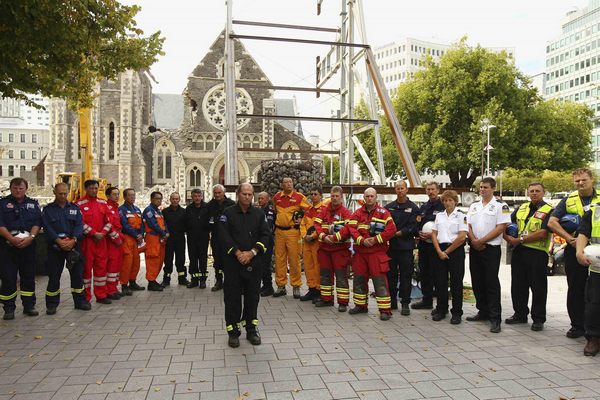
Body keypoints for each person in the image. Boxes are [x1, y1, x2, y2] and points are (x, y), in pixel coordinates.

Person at [548, 168, 600, 339]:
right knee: (576, 287)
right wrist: (570, 239)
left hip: (597, 250)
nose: (580, 183)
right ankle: (577, 325)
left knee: (595, 289)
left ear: (592, 179)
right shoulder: (568, 199)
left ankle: (593, 326)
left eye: (584, 180)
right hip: (574, 249)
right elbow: (552, 222)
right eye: (577, 181)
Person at [219, 183, 270, 348]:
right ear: (237, 194)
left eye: (250, 194)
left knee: (252, 297)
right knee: (232, 298)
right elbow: (223, 236)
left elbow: (265, 235)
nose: (247, 197)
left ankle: (251, 329)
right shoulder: (228, 213)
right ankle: (233, 332)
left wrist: (252, 252)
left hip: (253, 264)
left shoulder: (258, 214)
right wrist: (238, 253)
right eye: (244, 194)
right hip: (233, 264)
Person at [502, 182, 552, 331]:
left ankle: (538, 319)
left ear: (544, 193)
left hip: (537, 253)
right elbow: (506, 224)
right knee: (518, 285)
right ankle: (520, 314)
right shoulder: (521, 208)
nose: (534, 193)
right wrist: (508, 238)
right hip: (519, 251)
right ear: (528, 193)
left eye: (537, 191)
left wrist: (520, 240)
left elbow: (543, 232)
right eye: (531, 191)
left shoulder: (549, 210)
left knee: (538, 287)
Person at [342, 187, 396, 320]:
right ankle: (360, 306)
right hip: (361, 252)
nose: (369, 198)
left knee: (380, 281)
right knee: (359, 280)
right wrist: (361, 240)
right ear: (364, 197)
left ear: (376, 197)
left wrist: (376, 239)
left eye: (372, 196)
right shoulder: (357, 213)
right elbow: (351, 228)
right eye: (367, 196)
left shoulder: (384, 213)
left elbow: (391, 229)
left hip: (376, 252)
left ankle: (384, 310)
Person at [466, 177, 511, 333]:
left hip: (491, 248)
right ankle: (483, 311)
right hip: (475, 248)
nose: (482, 189)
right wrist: (474, 241)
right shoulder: (474, 206)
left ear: (493, 189)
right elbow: (468, 226)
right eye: (481, 187)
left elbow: (500, 228)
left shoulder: (501, 206)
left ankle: (495, 317)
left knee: (491, 282)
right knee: (477, 280)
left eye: (485, 187)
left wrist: (482, 241)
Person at [42, 183, 89, 314]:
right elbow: (47, 227)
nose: (63, 196)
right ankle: (51, 305)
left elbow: (79, 225)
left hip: (73, 247)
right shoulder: (48, 210)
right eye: (60, 193)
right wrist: (58, 241)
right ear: (54, 193)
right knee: (54, 277)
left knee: (77, 276)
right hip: (55, 247)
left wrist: (73, 240)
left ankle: (80, 302)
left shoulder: (74, 208)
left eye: (65, 193)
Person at [0, 178, 42, 319]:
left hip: (28, 246)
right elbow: (0, 225)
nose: (18, 191)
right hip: (7, 247)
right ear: (11, 188)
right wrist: (11, 238)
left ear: (26, 189)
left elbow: (37, 223)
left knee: (28, 277)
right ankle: (9, 308)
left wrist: (31, 237)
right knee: (8, 278)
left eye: (21, 188)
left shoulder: (33, 204)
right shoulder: (3, 204)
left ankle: (29, 306)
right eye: (15, 188)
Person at [431, 190, 467, 324]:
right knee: (440, 282)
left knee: (456, 282)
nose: (447, 203)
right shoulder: (439, 216)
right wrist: (440, 251)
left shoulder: (461, 216)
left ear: (455, 202)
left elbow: (462, 237)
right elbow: (434, 234)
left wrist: (447, 252)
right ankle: (441, 309)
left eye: (450, 200)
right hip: (440, 249)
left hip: (455, 250)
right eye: (445, 200)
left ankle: (457, 312)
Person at [314, 186, 352, 311]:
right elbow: (317, 224)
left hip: (339, 249)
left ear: (341, 197)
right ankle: (327, 299)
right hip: (325, 248)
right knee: (325, 275)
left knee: (341, 276)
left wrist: (335, 237)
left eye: (337, 196)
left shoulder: (346, 213)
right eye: (332, 196)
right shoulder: (324, 210)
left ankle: (343, 302)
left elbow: (348, 229)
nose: (334, 198)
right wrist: (323, 236)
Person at [385, 180, 420, 314]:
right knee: (391, 275)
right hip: (391, 247)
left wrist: (397, 233)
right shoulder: (389, 207)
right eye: (397, 188)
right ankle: (392, 301)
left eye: (402, 188)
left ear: (407, 190)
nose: (400, 191)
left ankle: (405, 303)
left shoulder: (413, 208)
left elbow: (413, 227)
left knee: (406, 275)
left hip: (406, 247)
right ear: (395, 190)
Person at [76, 180, 113, 304]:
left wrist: (102, 233)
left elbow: (109, 221)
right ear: (86, 189)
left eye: (96, 188)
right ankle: (86, 298)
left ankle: (101, 294)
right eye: (91, 188)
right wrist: (93, 233)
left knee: (101, 269)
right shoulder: (79, 204)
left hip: (101, 241)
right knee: (86, 270)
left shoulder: (103, 203)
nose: (94, 190)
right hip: (87, 242)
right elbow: (79, 223)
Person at [272, 177, 310, 298]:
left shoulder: (299, 197)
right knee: (279, 259)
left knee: (294, 259)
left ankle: (296, 286)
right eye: (286, 183)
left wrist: (302, 219)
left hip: (293, 232)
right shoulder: (276, 197)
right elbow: (275, 211)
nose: (289, 184)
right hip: (279, 232)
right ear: (282, 185)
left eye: (290, 182)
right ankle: (281, 286)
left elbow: (309, 211)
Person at [412, 182, 445, 311]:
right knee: (424, 273)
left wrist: (433, 234)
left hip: (437, 246)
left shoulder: (443, 206)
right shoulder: (424, 207)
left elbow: (446, 226)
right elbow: (418, 223)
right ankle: (427, 300)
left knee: (438, 275)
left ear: (438, 190)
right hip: (424, 245)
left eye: (433, 189)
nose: (430, 192)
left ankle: (441, 305)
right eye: (428, 189)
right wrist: (418, 232)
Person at [575, 205, 600, 356]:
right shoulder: (594, 212)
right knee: (594, 303)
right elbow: (583, 233)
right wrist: (579, 252)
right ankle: (593, 337)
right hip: (598, 268)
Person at [207, 184, 235, 291]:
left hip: (228, 238)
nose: (217, 195)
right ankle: (219, 280)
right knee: (217, 260)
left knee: (228, 260)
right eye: (215, 193)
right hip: (216, 237)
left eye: (219, 192)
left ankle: (229, 281)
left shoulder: (231, 204)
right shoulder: (210, 205)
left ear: (224, 192)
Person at [299, 186, 326, 302]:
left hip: (317, 242)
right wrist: (305, 235)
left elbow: (322, 225)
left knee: (317, 266)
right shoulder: (308, 209)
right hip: (307, 243)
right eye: (311, 194)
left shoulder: (324, 209)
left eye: (315, 194)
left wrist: (313, 236)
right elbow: (303, 224)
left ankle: (318, 290)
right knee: (308, 266)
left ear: (321, 196)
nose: (313, 196)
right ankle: (311, 288)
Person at [118, 188, 146, 295]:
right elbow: (124, 225)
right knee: (127, 262)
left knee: (136, 261)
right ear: (124, 197)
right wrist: (136, 235)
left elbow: (142, 224)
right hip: (128, 238)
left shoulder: (137, 209)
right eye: (129, 195)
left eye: (133, 195)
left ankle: (132, 282)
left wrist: (141, 235)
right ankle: (124, 285)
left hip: (136, 238)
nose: (132, 197)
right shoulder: (122, 210)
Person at [143, 191, 169, 291]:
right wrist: (163, 233)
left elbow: (164, 224)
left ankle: (154, 280)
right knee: (153, 259)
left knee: (159, 260)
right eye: (157, 198)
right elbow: (153, 224)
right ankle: (151, 282)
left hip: (160, 239)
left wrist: (166, 232)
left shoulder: (158, 211)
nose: (159, 201)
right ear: (151, 199)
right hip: (152, 238)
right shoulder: (149, 211)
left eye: (160, 199)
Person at [186, 189, 210, 289]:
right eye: (195, 196)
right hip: (192, 237)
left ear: (201, 196)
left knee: (203, 258)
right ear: (192, 197)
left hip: (203, 237)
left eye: (199, 196)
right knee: (193, 258)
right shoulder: (189, 208)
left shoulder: (206, 207)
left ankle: (203, 280)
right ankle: (194, 280)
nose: (197, 198)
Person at [162, 192, 188, 286]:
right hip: (169, 239)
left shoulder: (184, 212)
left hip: (180, 238)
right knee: (168, 259)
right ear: (170, 200)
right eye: (173, 199)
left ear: (179, 200)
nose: (175, 201)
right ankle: (166, 278)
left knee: (181, 259)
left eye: (176, 199)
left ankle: (182, 278)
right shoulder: (165, 212)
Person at [105, 187, 124, 299]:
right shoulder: (108, 208)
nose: (117, 196)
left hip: (118, 239)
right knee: (111, 265)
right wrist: (116, 238)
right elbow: (109, 225)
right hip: (112, 241)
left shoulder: (115, 207)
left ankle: (114, 288)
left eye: (118, 194)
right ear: (108, 196)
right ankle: (110, 290)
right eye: (114, 194)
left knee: (117, 265)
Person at [256, 192, 275, 297]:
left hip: (267, 241)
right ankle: (264, 285)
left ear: (267, 200)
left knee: (265, 265)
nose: (260, 200)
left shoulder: (270, 212)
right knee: (260, 264)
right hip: (259, 240)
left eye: (262, 198)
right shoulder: (258, 211)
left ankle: (269, 287)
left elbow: (267, 226)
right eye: (259, 198)